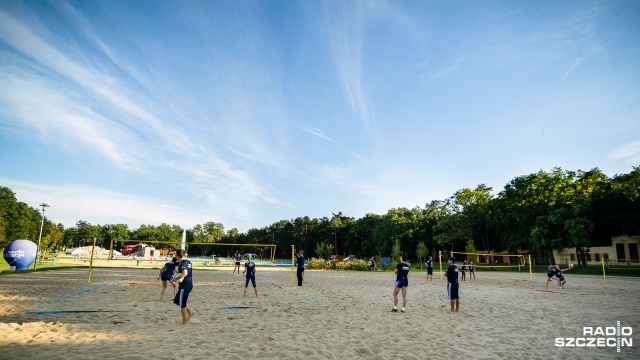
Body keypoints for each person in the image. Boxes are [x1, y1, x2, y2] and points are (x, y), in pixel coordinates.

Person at [170, 249, 195, 324]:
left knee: (182, 304)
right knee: (177, 301)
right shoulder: (188, 262)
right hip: (188, 284)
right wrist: (177, 272)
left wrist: (174, 279)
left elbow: (184, 273)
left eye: (176, 255)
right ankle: (190, 311)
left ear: (178, 255)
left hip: (185, 285)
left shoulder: (183, 263)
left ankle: (184, 322)